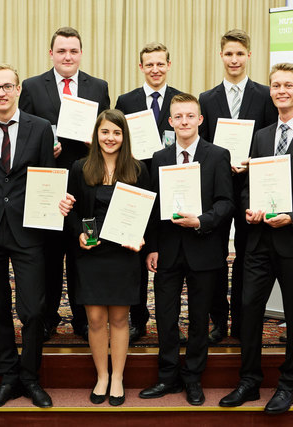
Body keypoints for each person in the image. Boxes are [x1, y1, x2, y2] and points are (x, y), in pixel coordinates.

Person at [219, 63, 293, 414]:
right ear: (270, 91)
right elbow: (247, 189)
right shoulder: (261, 135)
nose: (281, 90)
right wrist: (250, 209)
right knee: (249, 311)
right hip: (258, 241)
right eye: (275, 85)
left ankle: (288, 384)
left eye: (288, 85)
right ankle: (249, 381)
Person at [0, 64, 74, 409]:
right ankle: (7, 378)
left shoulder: (40, 128)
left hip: (30, 231)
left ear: (18, 90)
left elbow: (49, 175)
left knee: (33, 308)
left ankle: (30, 378)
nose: (1, 92)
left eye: (7, 86)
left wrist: (59, 198)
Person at [139, 93, 234, 406]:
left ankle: (193, 377)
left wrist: (202, 221)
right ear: (170, 121)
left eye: (190, 116)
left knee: (198, 319)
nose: (184, 122)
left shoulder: (218, 155)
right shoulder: (159, 157)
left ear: (200, 119)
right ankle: (167, 377)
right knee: (165, 317)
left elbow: (226, 203)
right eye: (178, 117)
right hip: (166, 251)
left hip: (204, 248)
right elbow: (152, 208)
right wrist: (151, 247)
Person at [19, 26, 110, 342]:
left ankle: (83, 318)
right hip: (48, 181)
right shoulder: (31, 87)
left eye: (73, 51)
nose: (67, 56)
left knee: (82, 253)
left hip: (86, 183)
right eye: (61, 51)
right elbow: (23, 134)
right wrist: (42, 147)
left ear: (81, 53)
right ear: (51, 54)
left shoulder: (98, 87)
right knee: (48, 256)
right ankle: (47, 317)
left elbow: (108, 132)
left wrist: (95, 144)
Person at [198, 29, 277, 344]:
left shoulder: (265, 95)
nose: (234, 59)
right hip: (217, 189)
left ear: (249, 56)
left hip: (252, 188)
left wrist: (251, 163)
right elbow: (204, 148)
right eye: (228, 54)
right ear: (221, 56)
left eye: (239, 54)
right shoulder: (206, 98)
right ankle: (218, 319)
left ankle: (244, 321)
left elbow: (271, 141)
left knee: (248, 256)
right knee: (215, 256)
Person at [67, 109, 150, 406]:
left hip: (124, 254)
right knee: (95, 318)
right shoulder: (80, 167)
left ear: (124, 136)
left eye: (116, 132)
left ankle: (118, 377)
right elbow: (72, 210)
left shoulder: (138, 169)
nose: (110, 138)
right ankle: (102, 375)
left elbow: (148, 213)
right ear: (96, 134)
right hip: (91, 254)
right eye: (105, 132)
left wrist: (142, 237)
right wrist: (78, 232)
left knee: (118, 318)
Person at [115, 42, 181, 343]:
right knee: (135, 255)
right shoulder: (125, 101)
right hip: (135, 185)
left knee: (170, 255)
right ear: (141, 67)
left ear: (168, 65)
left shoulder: (180, 102)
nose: (155, 69)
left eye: (160, 64)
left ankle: (171, 320)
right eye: (149, 64)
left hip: (171, 186)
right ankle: (138, 319)